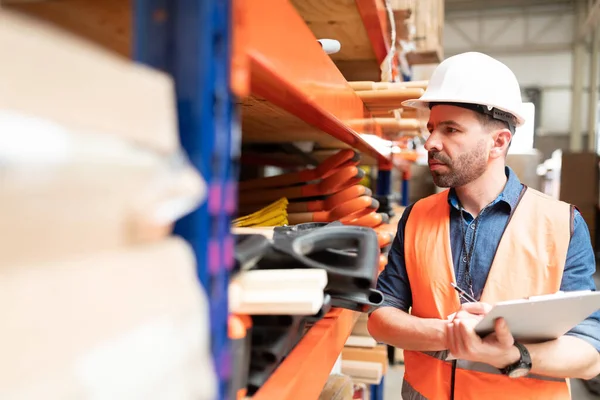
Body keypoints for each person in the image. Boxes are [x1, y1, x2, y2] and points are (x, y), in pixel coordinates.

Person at [367, 52, 600, 399]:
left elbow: (589, 353)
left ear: (499, 142)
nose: (430, 142)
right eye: (431, 128)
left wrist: (512, 354)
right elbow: (381, 316)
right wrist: (451, 334)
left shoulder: (561, 224)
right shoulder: (416, 217)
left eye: (450, 129)